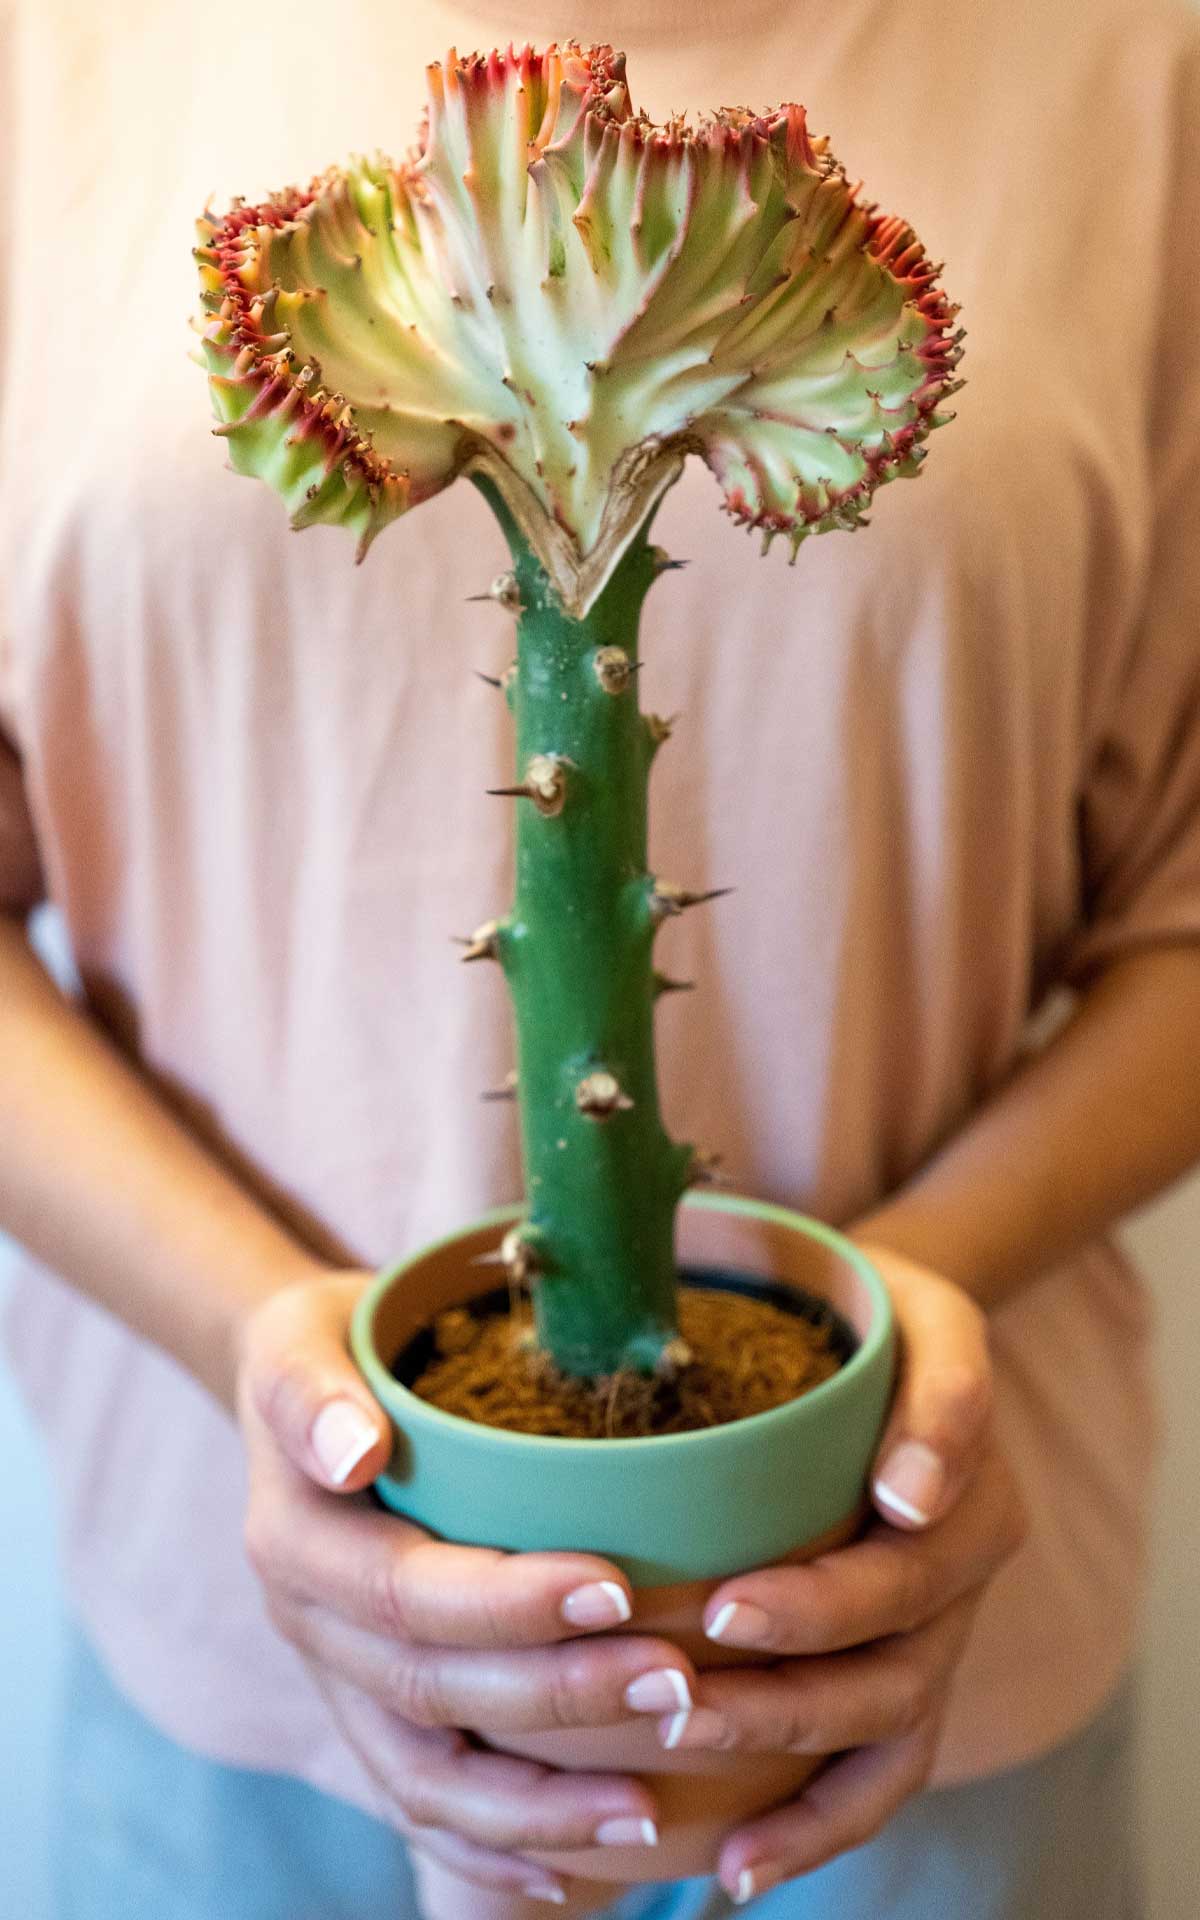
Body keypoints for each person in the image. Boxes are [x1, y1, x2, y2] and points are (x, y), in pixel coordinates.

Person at [1, 0, 1197, 1914]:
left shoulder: (1138, 67)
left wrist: (899, 1321)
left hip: (912, 1666)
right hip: (228, 1692)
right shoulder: (43, 58)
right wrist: (259, 1344)